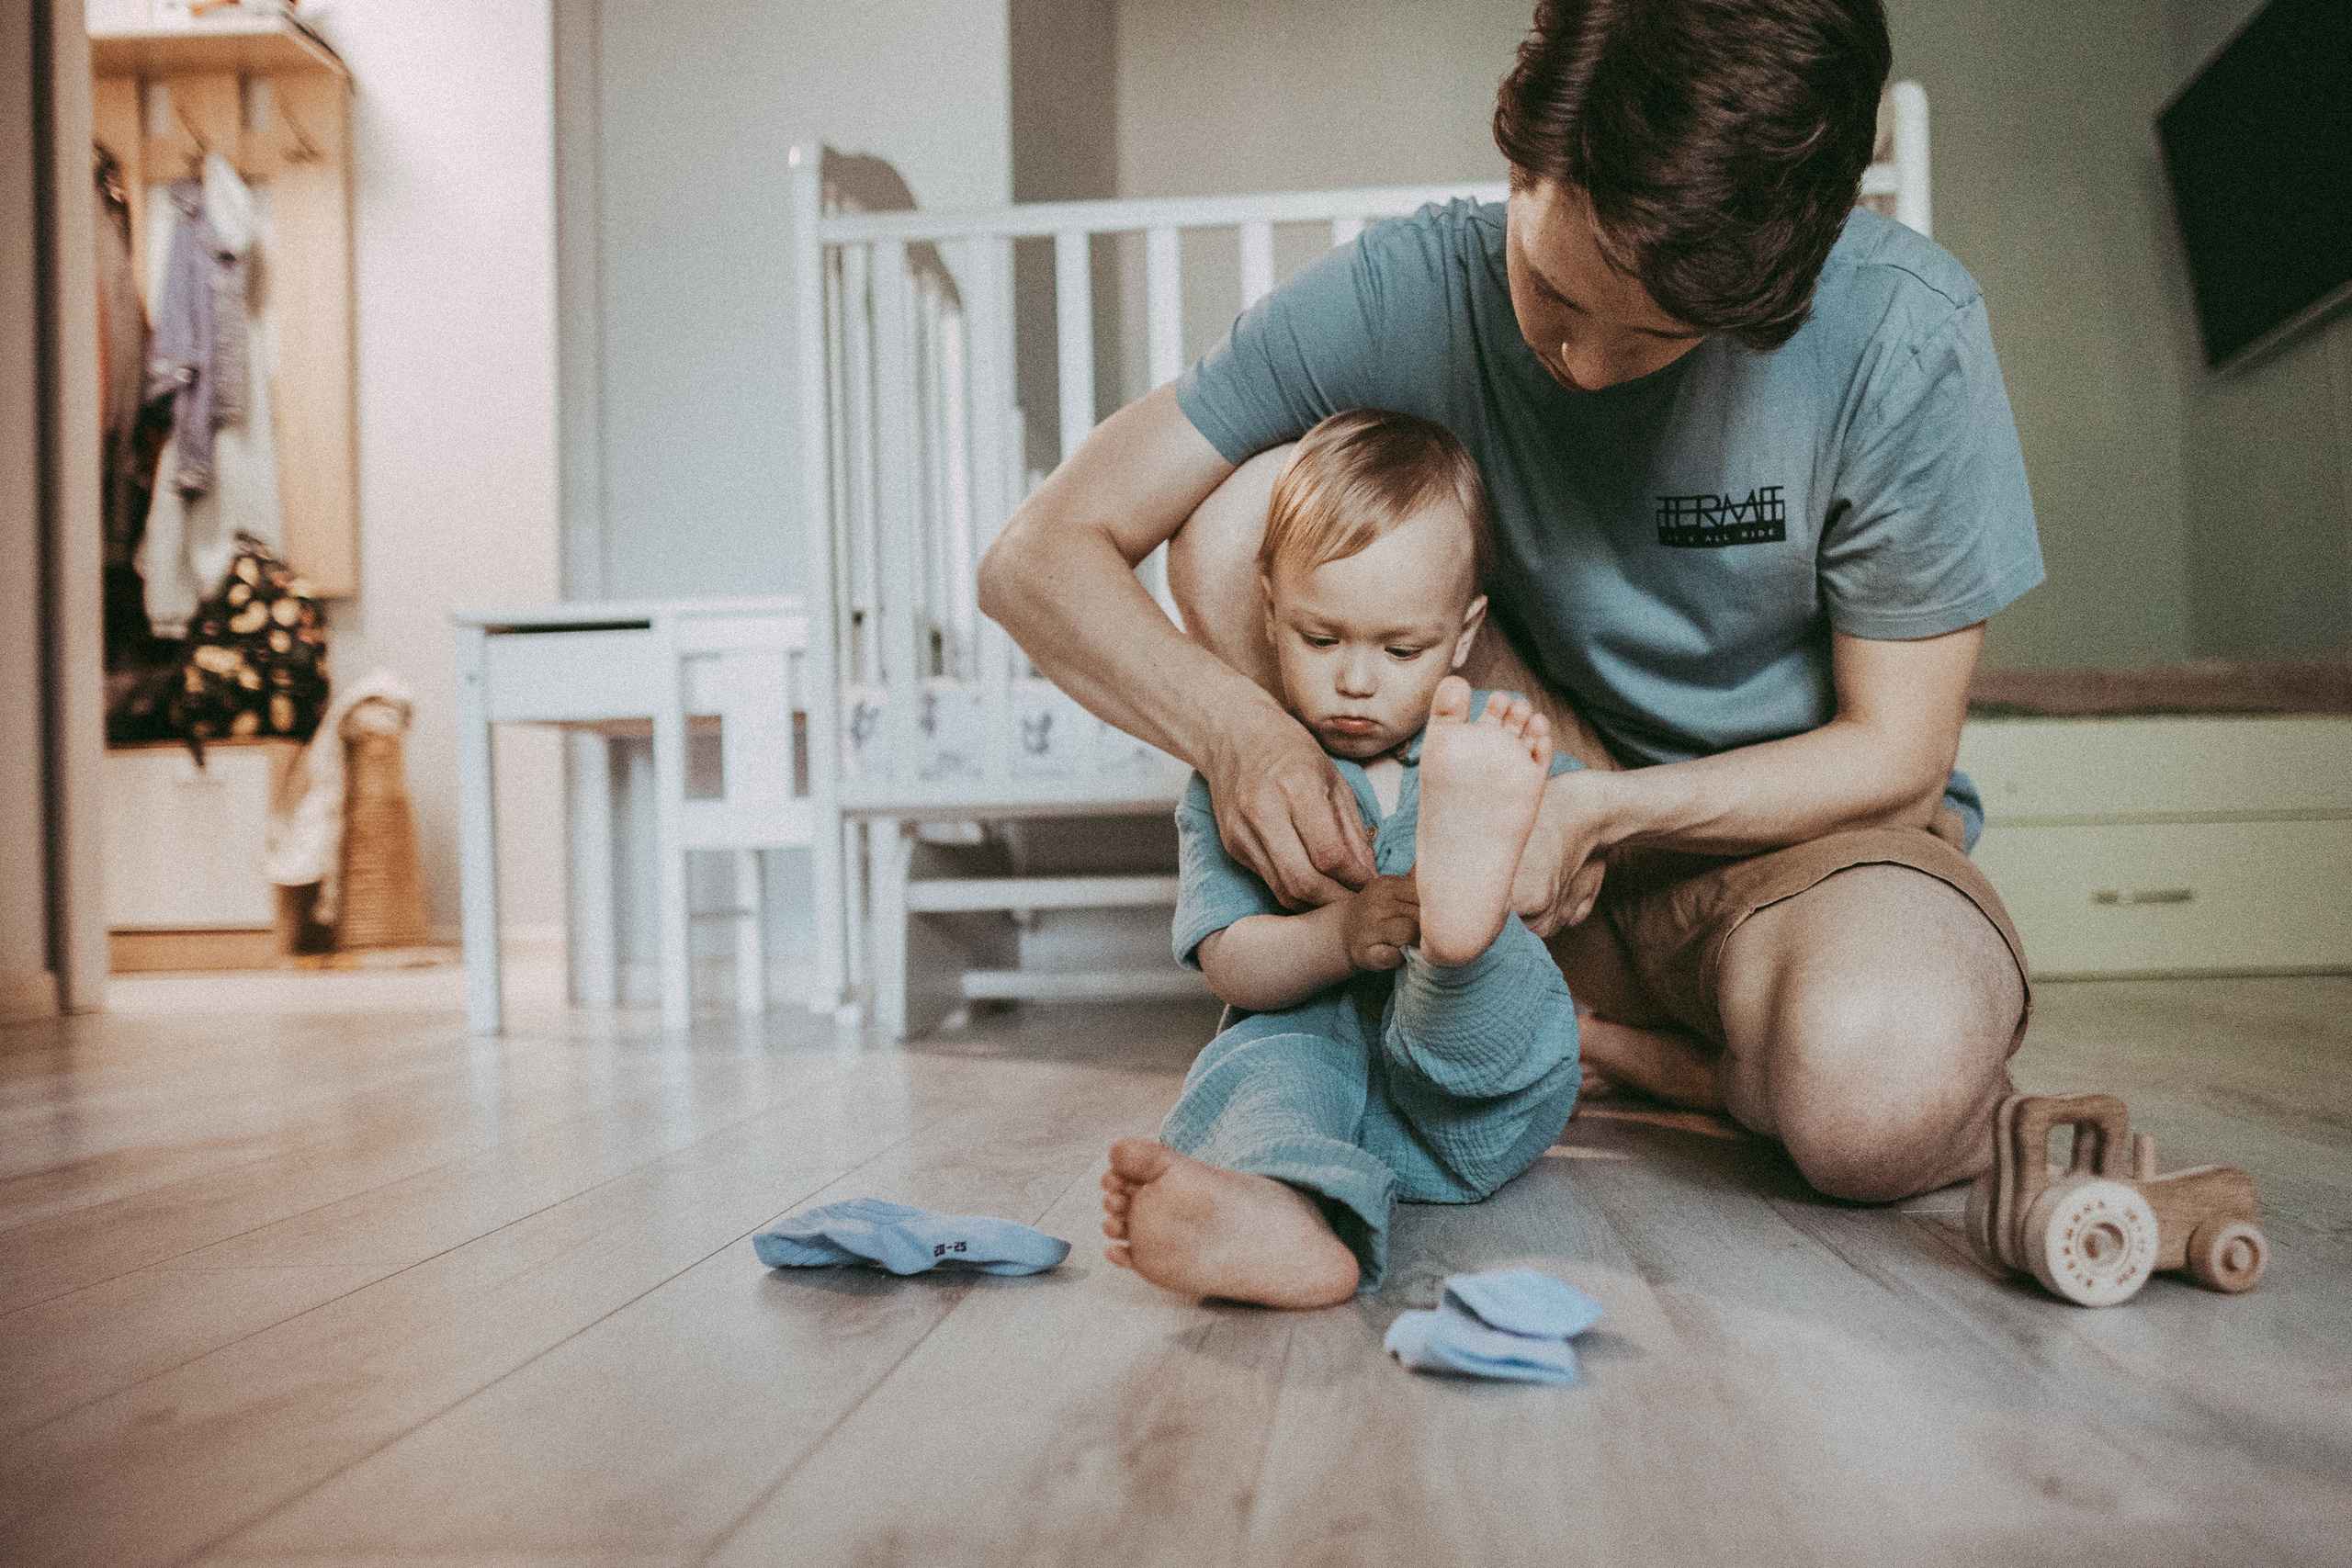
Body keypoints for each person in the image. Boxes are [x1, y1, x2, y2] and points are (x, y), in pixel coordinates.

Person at [978, 0, 2041, 1211]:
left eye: (1649, 335)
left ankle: (1683, 1062)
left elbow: (1899, 757)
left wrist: (1597, 815)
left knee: (1874, 1108)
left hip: (1795, 853)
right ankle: (1419, 1035)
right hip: (1501, 841)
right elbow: (1036, 555)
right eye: (1549, 287)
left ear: (1768, 294)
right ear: (1521, 158)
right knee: (1243, 515)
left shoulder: (1907, 332)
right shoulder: (1408, 286)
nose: (1579, 361)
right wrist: (1242, 730)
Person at [1102, 409, 1584, 1308]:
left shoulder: (1486, 755)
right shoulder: (1240, 783)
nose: (1357, 680)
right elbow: (1232, 965)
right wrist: (1339, 936)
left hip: (1467, 1091)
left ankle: (1462, 923)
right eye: (1321, 640)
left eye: (1402, 650)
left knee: (1495, 967)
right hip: (1324, 1075)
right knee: (1268, 1058)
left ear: (1465, 633)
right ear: (1271, 608)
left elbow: (1577, 883)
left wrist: (1538, 853)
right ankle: (1281, 1212)